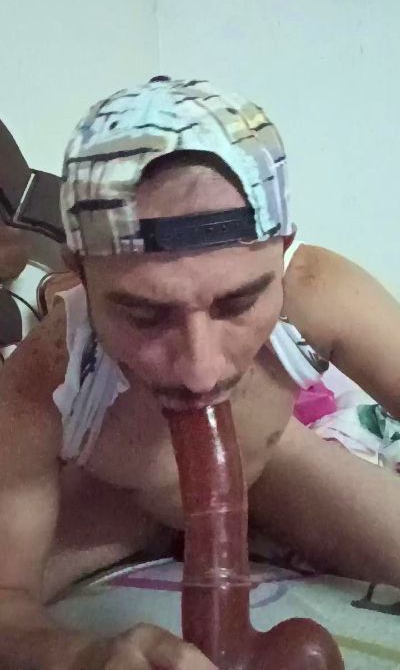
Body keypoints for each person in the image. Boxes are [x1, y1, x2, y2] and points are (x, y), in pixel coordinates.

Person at [0, 76, 399, 669]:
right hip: (115, 505)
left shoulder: (317, 291)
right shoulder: (47, 375)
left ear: (283, 249)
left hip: (270, 471)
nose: (199, 372)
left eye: (238, 304)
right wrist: (83, 656)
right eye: (144, 314)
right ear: (80, 273)